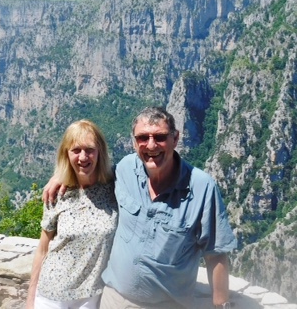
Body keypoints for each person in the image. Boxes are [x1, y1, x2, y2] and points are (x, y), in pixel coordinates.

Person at [44, 107, 237, 309]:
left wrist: (221, 305)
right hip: (114, 300)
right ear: (134, 142)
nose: (151, 145)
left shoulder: (202, 187)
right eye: (143, 137)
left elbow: (216, 254)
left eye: (160, 137)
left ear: (175, 139)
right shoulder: (126, 169)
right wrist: (63, 176)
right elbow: (91, 174)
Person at [27, 119, 118, 309]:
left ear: (100, 151)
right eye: (76, 150)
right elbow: (43, 250)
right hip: (52, 294)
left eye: (90, 149)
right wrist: (30, 300)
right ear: (66, 154)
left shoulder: (116, 187)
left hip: (91, 296)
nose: (83, 157)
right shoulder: (58, 193)